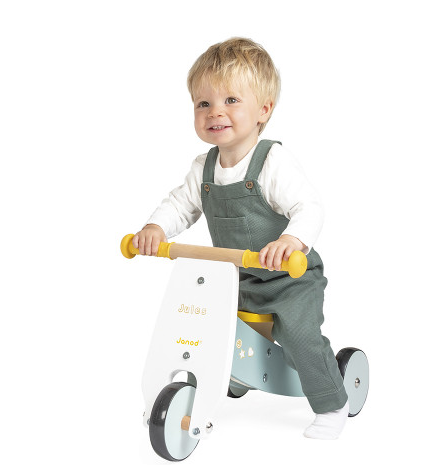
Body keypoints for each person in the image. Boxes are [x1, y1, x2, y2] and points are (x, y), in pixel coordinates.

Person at [133, 37, 349, 439]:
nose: (215, 111)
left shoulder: (272, 161)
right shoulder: (204, 167)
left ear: (263, 109)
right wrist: (156, 229)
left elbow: (309, 207)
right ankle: (234, 374)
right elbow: (180, 204)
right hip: (235, 278)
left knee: (299, 337)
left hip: (289, 280)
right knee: (201, 324)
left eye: (231, 100)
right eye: (203, 103)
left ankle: (332, 400)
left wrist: (291, 242)